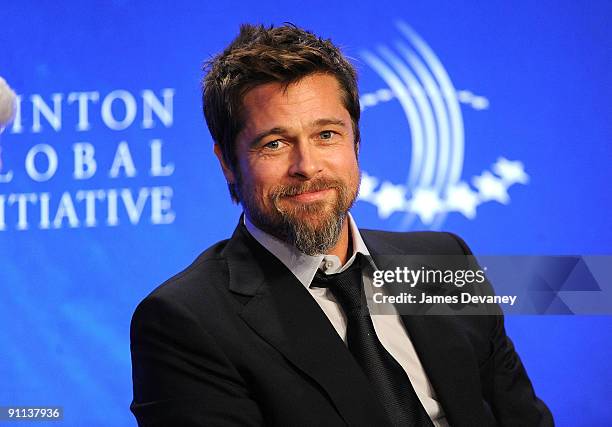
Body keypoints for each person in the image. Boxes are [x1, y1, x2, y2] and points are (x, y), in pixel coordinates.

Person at [130, 23, 553, 426]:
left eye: (327, 135)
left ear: (356, 141)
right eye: (274, 144)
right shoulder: (185, 321)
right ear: (227, 163)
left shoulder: (444, 261)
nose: (307, 166)